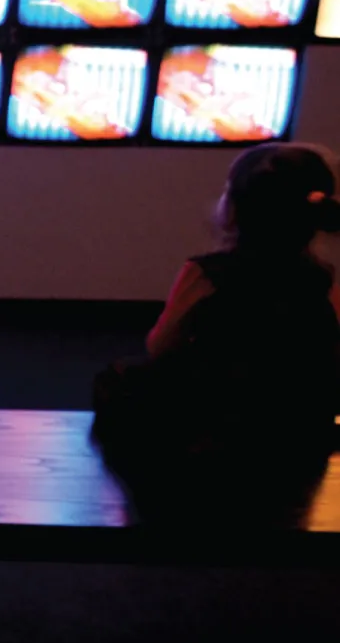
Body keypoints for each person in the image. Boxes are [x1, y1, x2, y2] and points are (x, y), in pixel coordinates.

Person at [93, 143, 340, 475]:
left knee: (119, 379)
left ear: (235, 209)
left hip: (212, 420)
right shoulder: (322, 281)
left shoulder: (205, 273)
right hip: (295, 422)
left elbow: (161, 345)